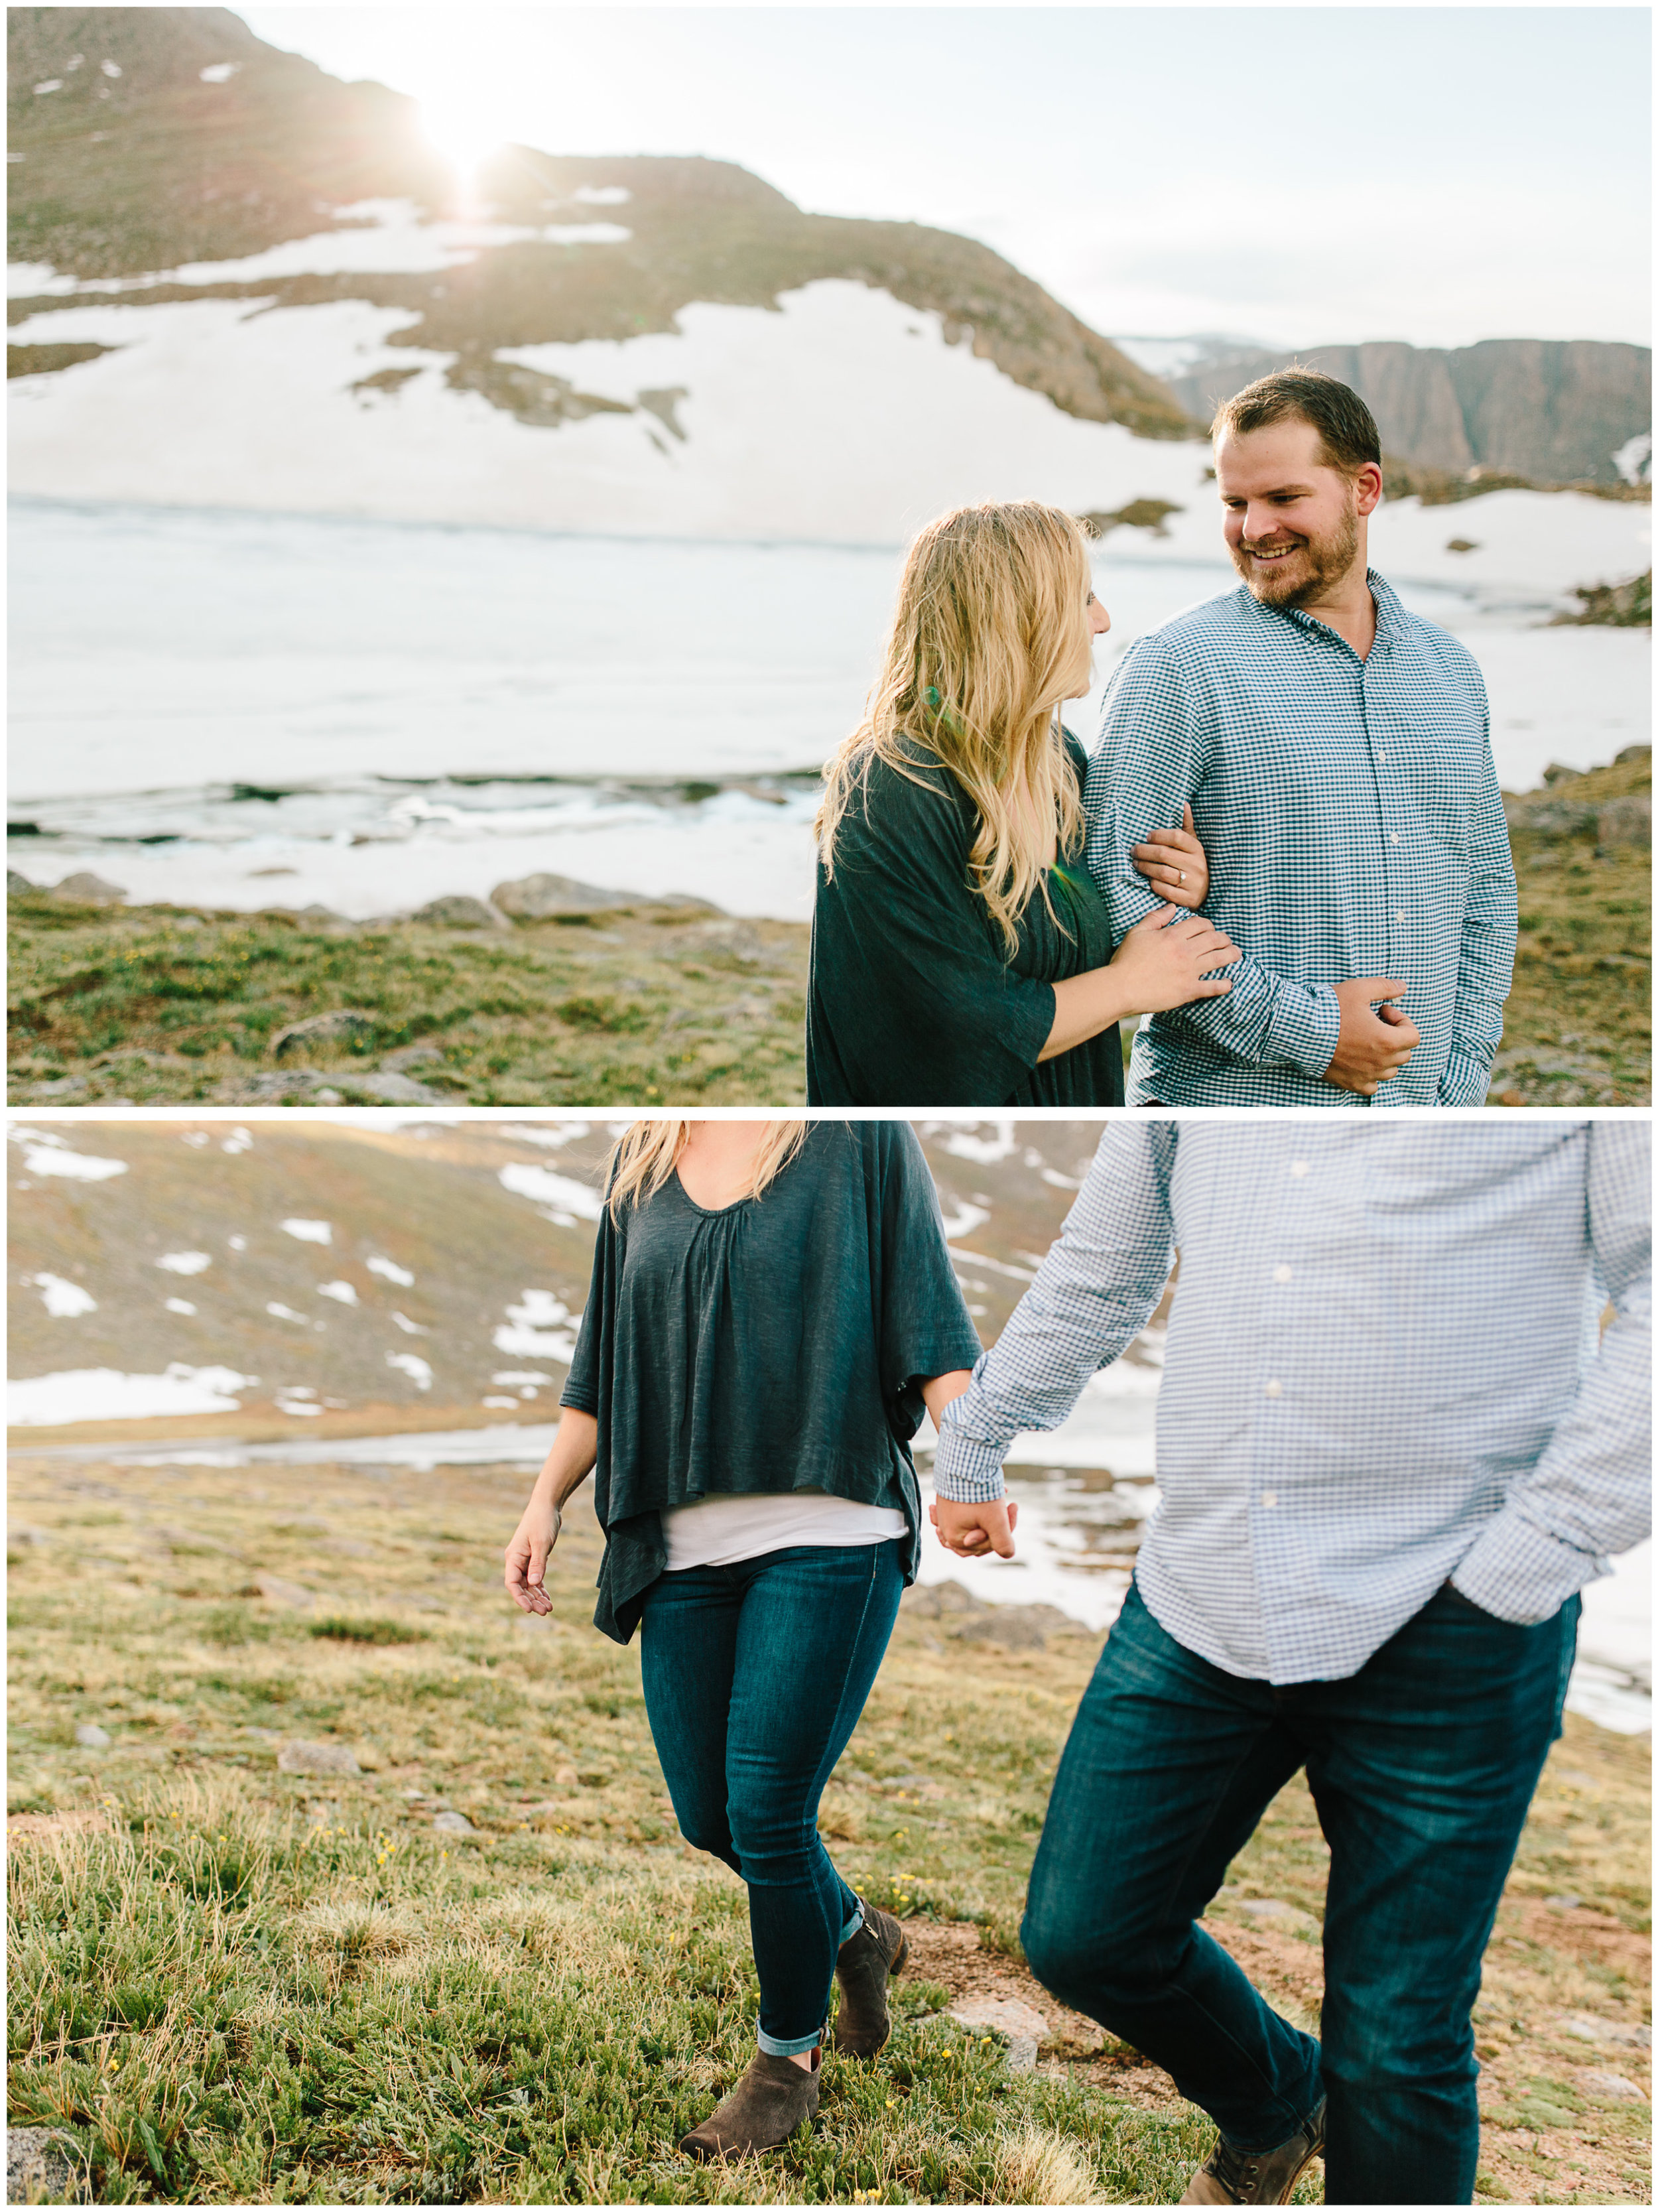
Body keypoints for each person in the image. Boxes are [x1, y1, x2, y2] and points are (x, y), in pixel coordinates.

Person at [930, 1121, 1650, 2205]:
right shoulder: (1198, 1016)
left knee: (1399, 2048)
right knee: (1087, 1936)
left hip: (1455, 1606)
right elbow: (1105, 1262)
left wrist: (1535, 1553)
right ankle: (1282, 2104)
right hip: (1205, 1584)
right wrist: (978, 1436)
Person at [503, 1117, 983, 2160]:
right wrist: (544, 1500)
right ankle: (857, 1935)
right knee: (709, 1812)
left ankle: (785, 2063)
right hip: (681, 1544)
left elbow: (933, 1323)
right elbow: (602, 1369)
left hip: (829, 1532)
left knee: (769, 1809)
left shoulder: (858, 1139)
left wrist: (974, 1465)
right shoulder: (641, 1157)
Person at [1086, 369, 1519, 1108]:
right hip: (1227, 1110)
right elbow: (1116, 887)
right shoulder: (1179, 664)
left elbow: (1483, 887)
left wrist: (1462, 1076)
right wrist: (1315, 1033)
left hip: (1424, 1120)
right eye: (1234, 503)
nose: (1254, 529)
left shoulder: (1452, 671)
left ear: (1364, 490)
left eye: (1283, 498)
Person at [808, 500, 1241, 1105]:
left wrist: (1172, 890)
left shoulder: (1058, 761)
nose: (1104, 621)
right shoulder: (892, 787)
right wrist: (1125, 986)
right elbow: (951, 1030)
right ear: (1018, 617)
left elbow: (1072, 949)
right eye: (1083, 598)